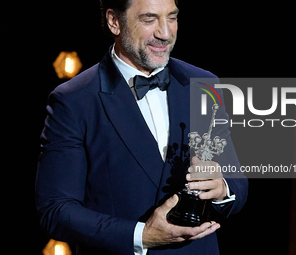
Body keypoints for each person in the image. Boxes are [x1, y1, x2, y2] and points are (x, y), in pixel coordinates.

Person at [35, 0, 248, 254]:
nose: (165, 33)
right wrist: (142, 236)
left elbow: (237, 183)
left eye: (172, 17)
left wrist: (222, 188)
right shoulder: (74, 100)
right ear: (114, 21)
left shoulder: (203, 83)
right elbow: (56, 210)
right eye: (149, 19)